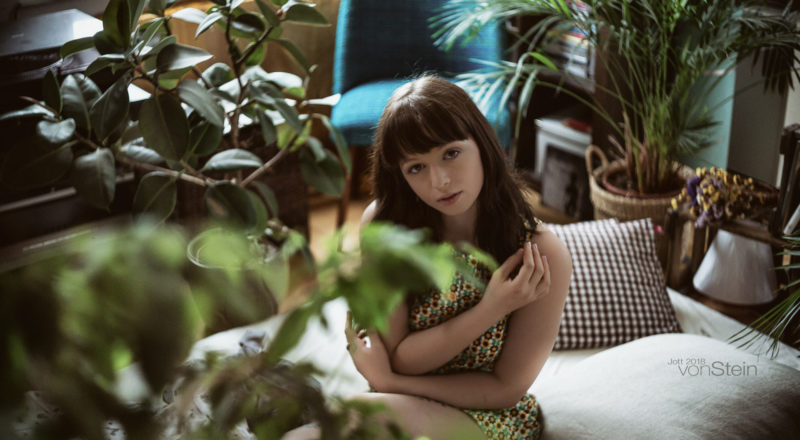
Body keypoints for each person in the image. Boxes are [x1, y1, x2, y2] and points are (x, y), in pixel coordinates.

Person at [289, 75, 571, 440]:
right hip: (399, 401)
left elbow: (505, 388)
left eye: (450, 153)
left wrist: (391, 381)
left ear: (482, 143)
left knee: (356, 418)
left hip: (490, 418)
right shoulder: (387, 226)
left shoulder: (538, 253)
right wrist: (392, 379)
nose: (439, 181)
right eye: (416, 167)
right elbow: (401, 356)